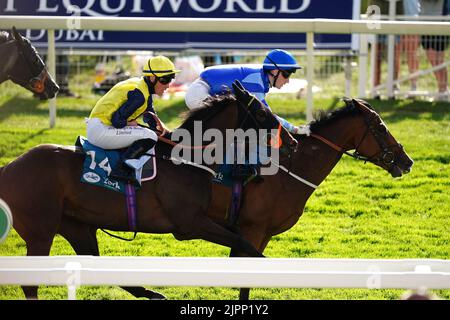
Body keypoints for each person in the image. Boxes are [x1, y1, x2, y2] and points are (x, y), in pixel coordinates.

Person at [86, 55, 181, 183]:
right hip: (101, 131)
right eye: (165, 80)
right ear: (152, 78)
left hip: (101, 127)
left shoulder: (143, 90)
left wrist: (170, 135)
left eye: (171, 79)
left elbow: (152, 119)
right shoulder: (139, 95)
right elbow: (117, 121)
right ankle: (122, 170)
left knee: (150, 133)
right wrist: (130, 123)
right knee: (149, 136)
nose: (168, 85)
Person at [184, 49, 305, 135]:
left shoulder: (259, 78)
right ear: (274, 71)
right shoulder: (256, 82)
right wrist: (294, 129)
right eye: (286, 74)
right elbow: (269, 117)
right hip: (199, 93)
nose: (288, 80)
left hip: (202, 90)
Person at [368, 0, 403, 97]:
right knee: (376, 59)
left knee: (393, 59)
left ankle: (393, 88)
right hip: (377, 25)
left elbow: (400, 8)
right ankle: (375, 88)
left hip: (393, 25)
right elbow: (371, 7)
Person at [420, 0, 449, 100]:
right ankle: (442, 90)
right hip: (424, 22)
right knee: (434, 58)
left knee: (438, 59)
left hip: (439, 21)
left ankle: (443, 91)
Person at [401, 0, 421, 92]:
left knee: (411, 54)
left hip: (413, 21)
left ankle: (414, 85)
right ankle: (394, 86)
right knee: (398, 55)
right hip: (398, 20)